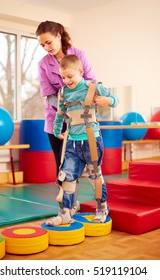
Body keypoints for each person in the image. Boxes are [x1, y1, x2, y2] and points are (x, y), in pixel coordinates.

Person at [45, 54, 119, 226]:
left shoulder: (92, 87)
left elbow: (115, 100)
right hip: (72, 141)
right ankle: (65, 213)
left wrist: (106, 100)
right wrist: (57, 130)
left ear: (80, 71)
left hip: (91, 140)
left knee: (95, 176)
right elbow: (60, 114)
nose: (66, 80)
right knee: (68, 178)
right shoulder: (63, 92)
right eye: (63, 77)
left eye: (70, 76)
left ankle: (101, 208)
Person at [36, 20, 96, 179]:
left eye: (48, 42)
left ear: (58, 35)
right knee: (62, 163)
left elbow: (91, 83)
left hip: (80, 117)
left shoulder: (80, 55)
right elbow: (49, 95)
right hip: (55, 118)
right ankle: (66, 202)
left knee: (81, 161)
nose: (46, 47)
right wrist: (65, 107)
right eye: (42, 45)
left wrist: (79, 106)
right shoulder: (43, 64)